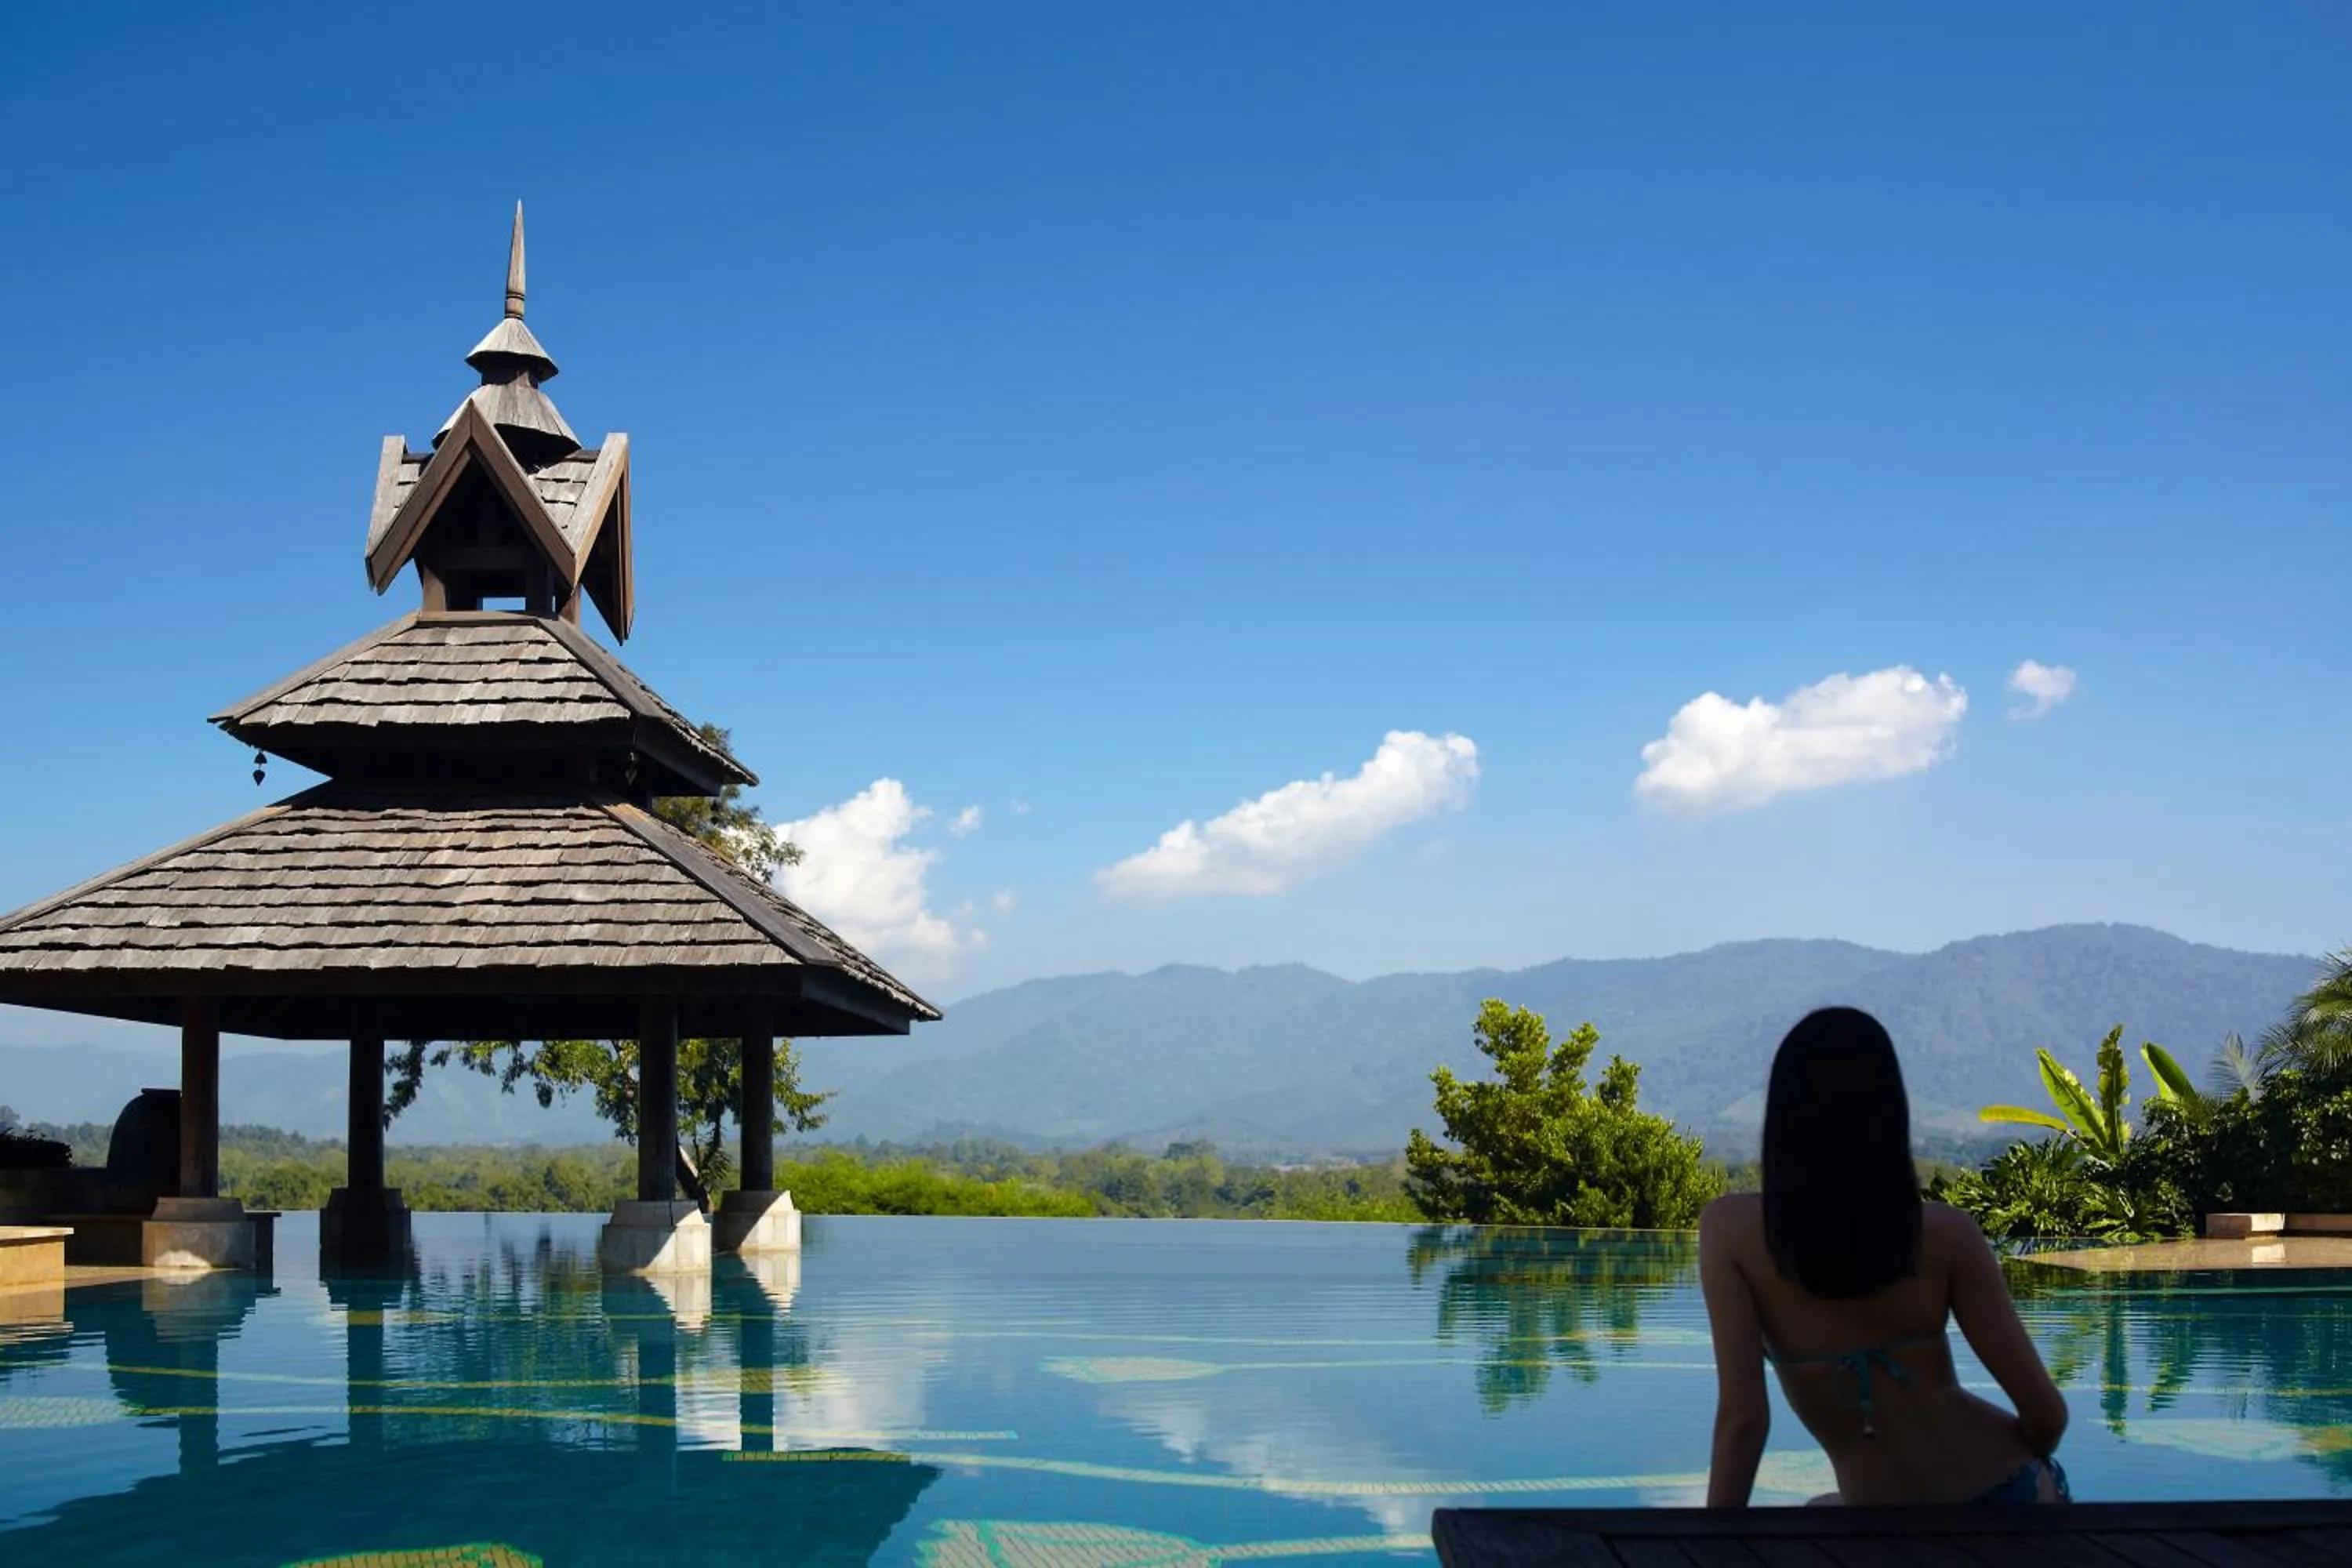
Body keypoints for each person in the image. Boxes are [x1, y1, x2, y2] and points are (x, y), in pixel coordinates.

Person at [1700, 1007, 2070, 1507]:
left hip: (1876, 1520)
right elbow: (2047, 1416)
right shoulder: (1947, 1233)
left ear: (1784, 1111)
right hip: (2007, 1495)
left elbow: (1744, 1421)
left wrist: (1712, 1548)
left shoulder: (1731, 1232)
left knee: (1821, 1511)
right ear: (1888, 1112)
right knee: (1819, 1508)